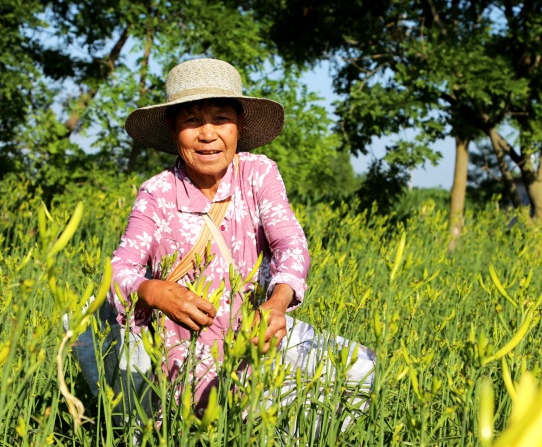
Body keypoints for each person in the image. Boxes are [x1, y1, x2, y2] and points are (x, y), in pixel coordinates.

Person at [76, 58, 374, 418]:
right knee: (199, 428)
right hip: (178, 349)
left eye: (220, 119)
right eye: (191, 121)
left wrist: (277, 305)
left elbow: (290, 245)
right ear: (173, 130)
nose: (207, 134)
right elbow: (119, 270)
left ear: (239, 125)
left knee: (360, 369)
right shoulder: (156, 192)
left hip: (255, 336)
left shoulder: (258, 173)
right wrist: (154, 292)